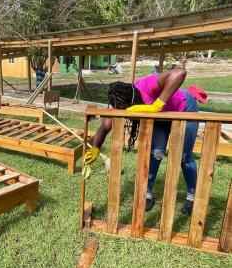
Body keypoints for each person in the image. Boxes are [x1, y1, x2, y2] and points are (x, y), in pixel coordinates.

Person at [84, 67, 199, 215]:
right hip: (160, 119)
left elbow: (179, 73)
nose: (126, 113)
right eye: (121, 110)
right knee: (155, 153)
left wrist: (156, 106)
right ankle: (148, 195)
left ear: (133, 99)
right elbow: (104, 128)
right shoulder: (120, 103)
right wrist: (95, 148)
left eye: (127, 109)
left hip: (183, 107)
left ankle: (192, 197)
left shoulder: (147, 84)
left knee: (183, 156)